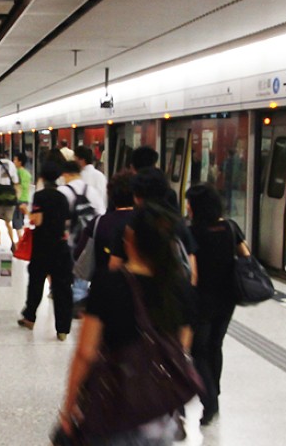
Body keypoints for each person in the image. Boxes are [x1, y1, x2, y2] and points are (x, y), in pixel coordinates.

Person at [56, 204, 197, 445]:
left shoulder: (109, 283)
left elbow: (86, 353)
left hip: (113, 403)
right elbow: (181, 346)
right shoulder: (181, 286)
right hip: (158, 410)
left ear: (130, 240)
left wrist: (69, 407)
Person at [186, 183, 246, 427]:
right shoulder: (230, 227)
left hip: (203, 298)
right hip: (227, 297)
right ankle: (215, 393)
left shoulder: (194, 232)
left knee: (197, 350)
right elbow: (246, 256)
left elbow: (193, 275)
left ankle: (209, 401)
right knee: (215, 345)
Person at [17, 161, 74, 340]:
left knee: (36, 282)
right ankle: (63, 329)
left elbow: (37, 220)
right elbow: (66, 221)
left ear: (41, 177)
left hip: (42, 245)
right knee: (62, 287)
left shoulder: (41, 196)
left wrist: (26, 211)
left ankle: (30, 318)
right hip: (60, 245)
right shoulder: (63, 197)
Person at [58, 160, 107, 310]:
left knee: (66, 268)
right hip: (88, 237)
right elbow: (101, 211)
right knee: (83, 266)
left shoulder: (62, 191)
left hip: (69, 237)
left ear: (65, 174)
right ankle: (79, 298)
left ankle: (68, 297)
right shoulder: (91, 190)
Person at [90, 171, 135, 277]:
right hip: (136, 286)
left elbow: (79, 252)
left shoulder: (98, 222)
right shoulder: (144, 221)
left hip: (102, 284)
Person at [12, 152, 33, 236]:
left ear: (20, 162)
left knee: (17, 223)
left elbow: (17, 186)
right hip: (26, 198)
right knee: (22, 221)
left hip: (18, 199)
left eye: (15, 160)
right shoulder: (27, 173)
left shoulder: (17, 172)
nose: (13, 161)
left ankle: (20, 242)